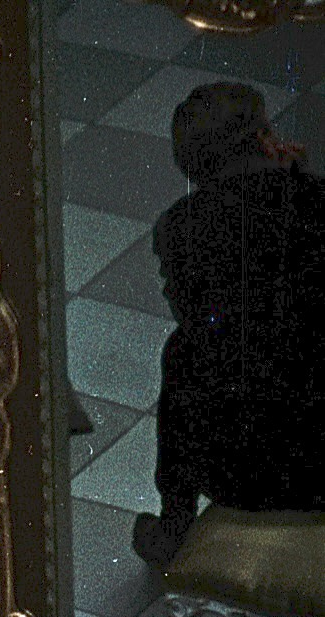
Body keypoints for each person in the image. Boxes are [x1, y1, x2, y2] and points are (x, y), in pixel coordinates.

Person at [133, 82, 325, 566]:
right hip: (321, 461)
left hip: (240, 472)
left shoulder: (180, 228)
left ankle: (175, 523)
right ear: (264, 139)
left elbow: (210, 327)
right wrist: (297, 178)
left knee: (182, 353)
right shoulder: (319, 200)